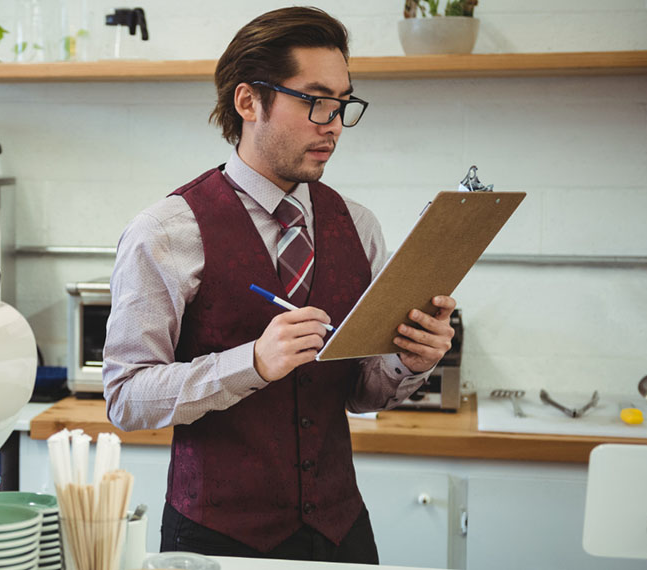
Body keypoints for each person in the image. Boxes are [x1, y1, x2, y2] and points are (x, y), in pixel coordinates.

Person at [101, 6, 457, 564]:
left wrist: (409, 362)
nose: (334, 123)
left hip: (342, 531)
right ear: (248, 102)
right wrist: (253, 363)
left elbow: (361, 392)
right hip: (216, 539)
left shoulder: (358, 226)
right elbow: (126, 398)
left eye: (343, 103)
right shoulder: (166, 232)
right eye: (315, 100)